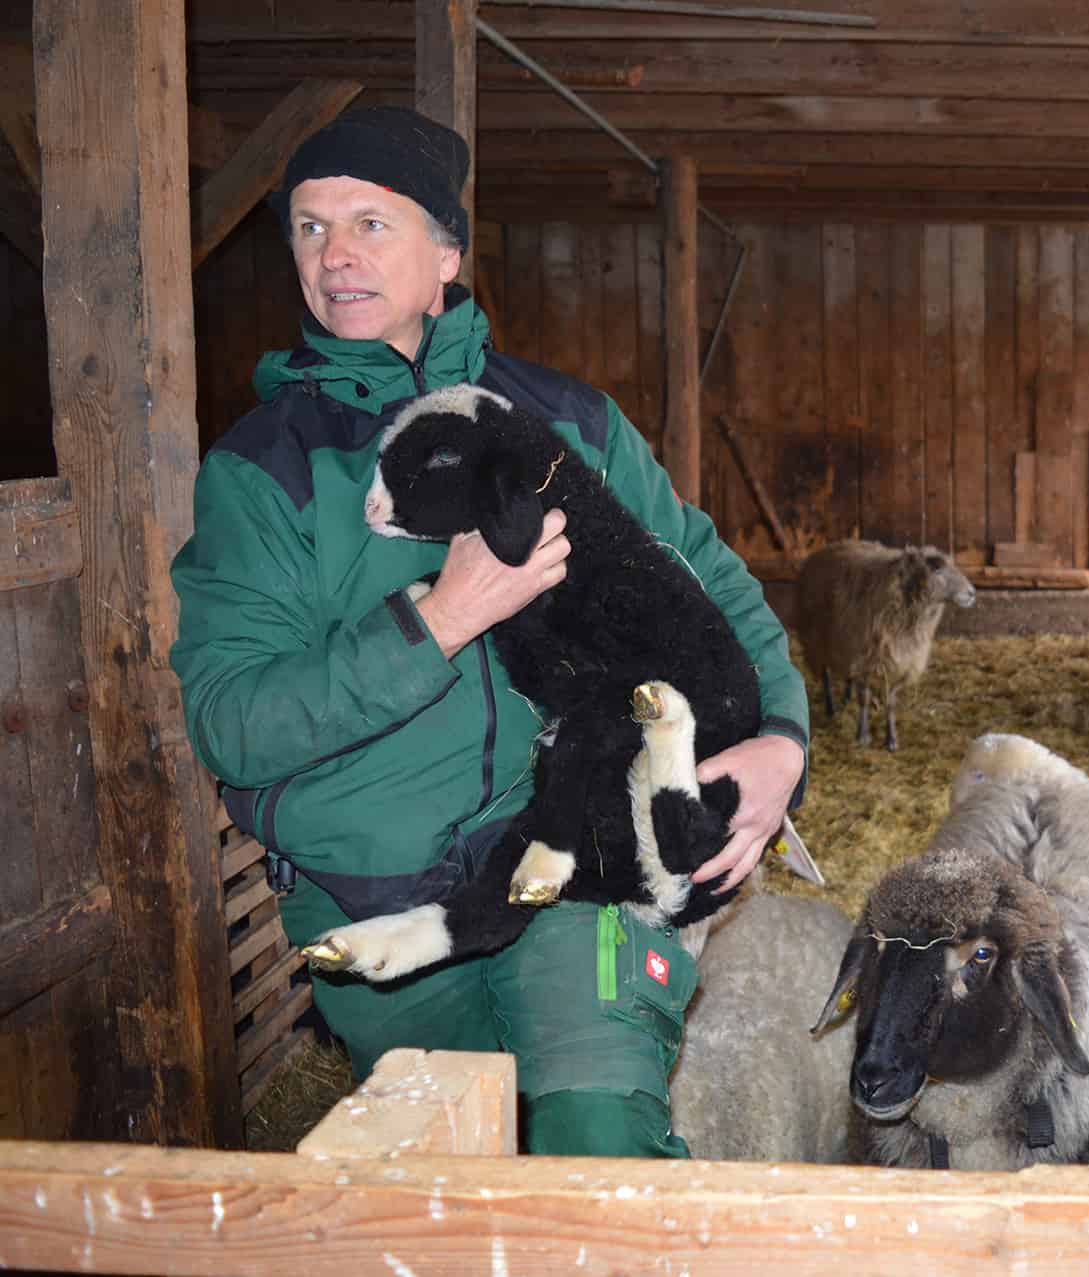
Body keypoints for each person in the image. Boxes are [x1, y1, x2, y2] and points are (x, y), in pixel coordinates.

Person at [169, 107, 809, 1157]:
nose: (334, 256)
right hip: (383, 898)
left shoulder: (570, 426)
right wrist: (437, 619)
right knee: (455, 1175)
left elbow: (714, 583)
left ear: (446, 254)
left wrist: (784, 737)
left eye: (371, 224)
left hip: (576, 854)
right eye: (309, 227)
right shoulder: (263, 473)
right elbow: (233, 719)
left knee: (598, 1128)